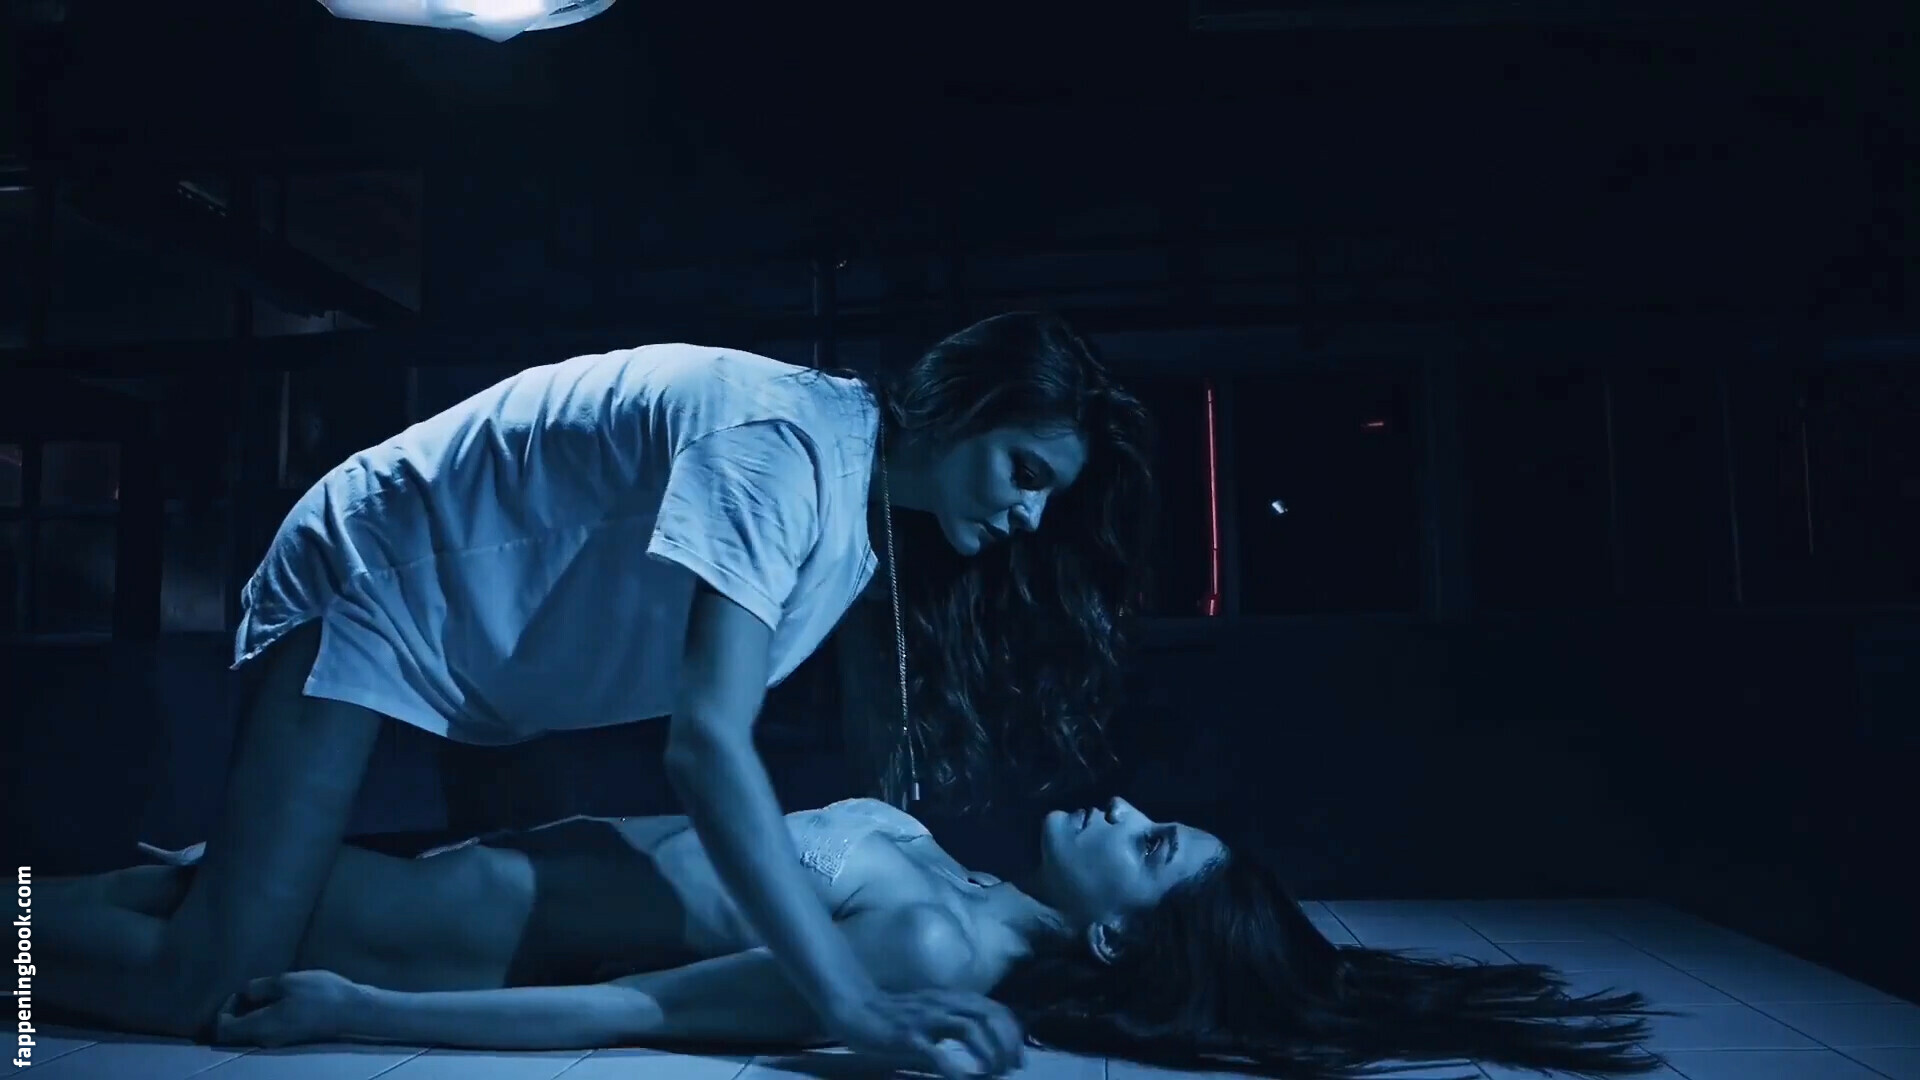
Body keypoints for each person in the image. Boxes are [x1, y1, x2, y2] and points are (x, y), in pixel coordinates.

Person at [68, 312, 1155, 1080]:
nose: (1030, 518)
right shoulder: (782, 449)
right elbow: (706, 745)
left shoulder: (852, 514)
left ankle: (93, 901)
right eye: (1025, 472)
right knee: (211, 974)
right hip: (380, 581)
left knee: (335, 903)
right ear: (967, 405)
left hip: (492, 656)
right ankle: (26, 930)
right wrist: (849, 1002)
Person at [42, 797, 1665, 1078]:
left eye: (1153, 844)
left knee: (22, 950)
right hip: (405, 867)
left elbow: (638, 1011)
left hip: (389, 926)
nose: (1127, 805)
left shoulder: (937, 958)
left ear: (1120, 942)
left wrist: (348, 1005)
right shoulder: (968, 887)